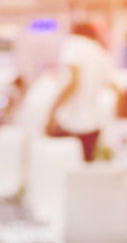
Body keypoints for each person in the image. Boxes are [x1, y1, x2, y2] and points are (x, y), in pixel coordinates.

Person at [47, 22, 116, 162]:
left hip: (71, 122)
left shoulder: (73, 44)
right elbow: (112, 86)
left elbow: (73, 82)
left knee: (63, 169)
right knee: (85, 171)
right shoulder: (100, 51)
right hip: (94, 123)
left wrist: (53, 111)